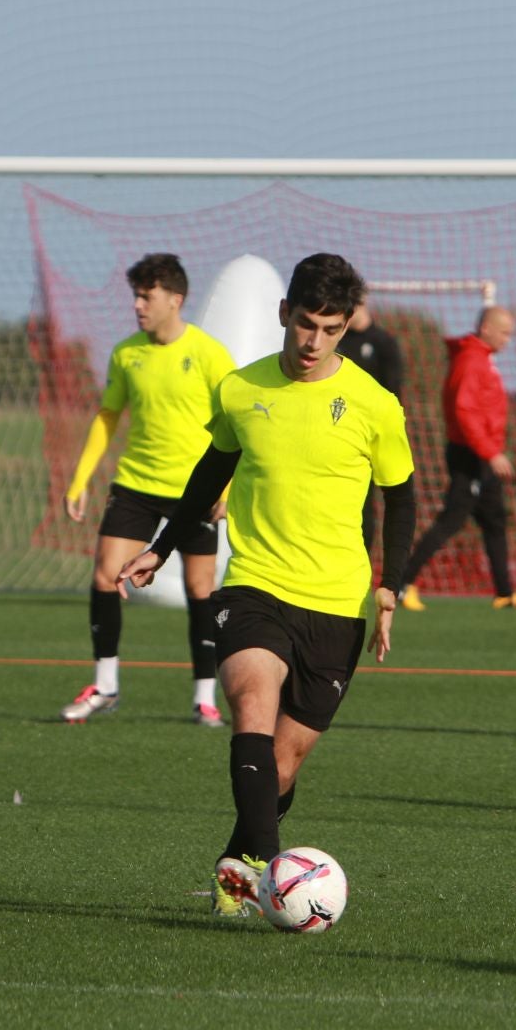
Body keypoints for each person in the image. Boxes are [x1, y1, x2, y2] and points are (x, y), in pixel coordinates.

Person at [118, 253, 417, 917]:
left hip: (337, 605)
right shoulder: (241, 390)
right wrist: (162, 548)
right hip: (255, 584)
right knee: (251, 703)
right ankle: (280, 882)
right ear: (285, 314)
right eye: (306, 323)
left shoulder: (374, 405)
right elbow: (209, 471)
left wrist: (390, 586)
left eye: (331, 329)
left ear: (346, 328)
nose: (314, 342)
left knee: (280, 769)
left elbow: (401, 498)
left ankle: (242, 862)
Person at [60, 253, 236, 726]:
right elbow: (107, 416)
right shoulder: (126, 353)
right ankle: (106, 684)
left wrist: (229, 486)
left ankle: (204, 698)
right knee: (104, 576)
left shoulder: (208, 353)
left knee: (201, 590)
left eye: (147, 296)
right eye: (135, 295)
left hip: (194, 491)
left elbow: (235, 420)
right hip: (136, 485)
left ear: (175, 299)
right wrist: (79, 480)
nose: (138, 305)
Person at [397, 305, 516, 610]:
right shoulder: (471, 361)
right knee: (451, 520)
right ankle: (401, 585)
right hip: (471, 455)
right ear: (486, 328)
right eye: (504, 332)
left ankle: (505, 594)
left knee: (495, 522)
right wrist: (491, 453)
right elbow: (464, 413)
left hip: (481, 455)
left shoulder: (483, 360)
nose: (507, 339)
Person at [339, 299, 407, 553]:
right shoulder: (338, 342)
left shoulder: (383, 342)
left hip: (370, 435)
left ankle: (364, 564)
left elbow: (393, 392)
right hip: (337, 431)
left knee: (370, 500)